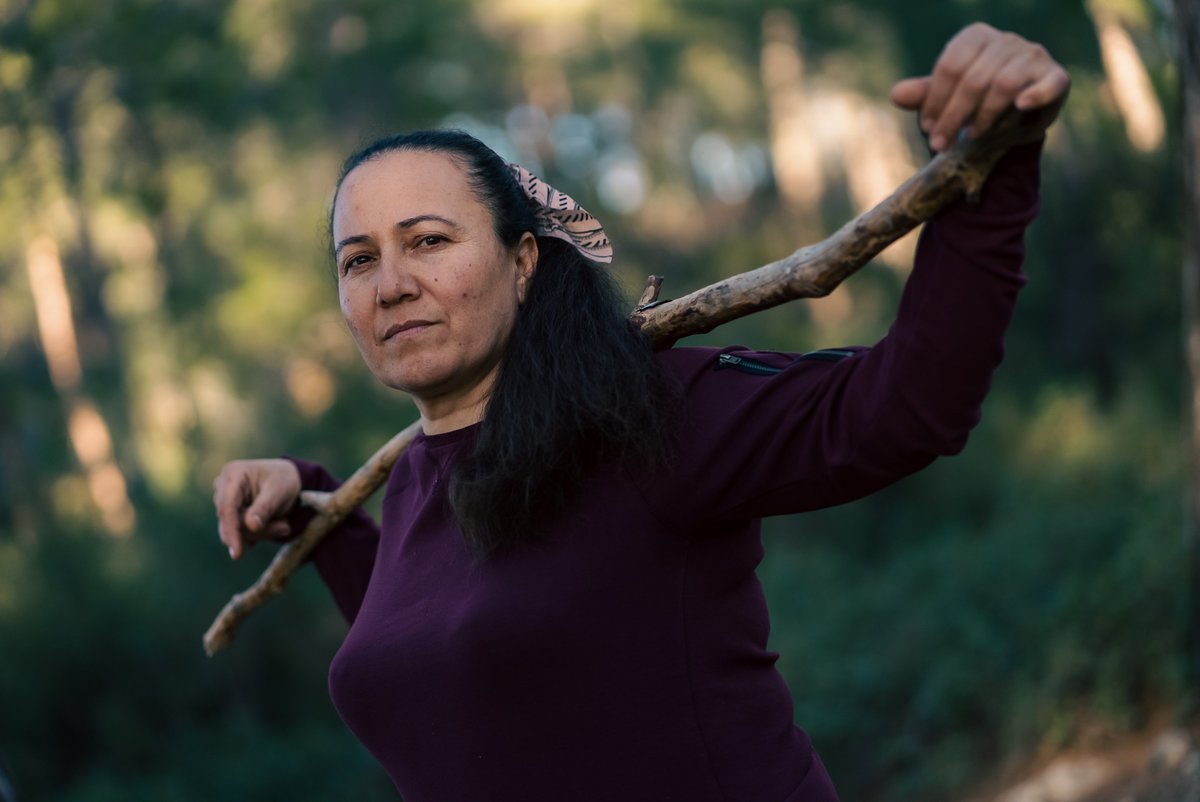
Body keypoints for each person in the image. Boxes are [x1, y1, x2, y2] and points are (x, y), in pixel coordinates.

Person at [213, 23, 1069, 802]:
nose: (391, 283)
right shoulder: (410, 486)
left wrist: (990, 167)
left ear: (522, 263)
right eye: (358, 260)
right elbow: (444, 650)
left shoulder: (647, 416)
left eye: (429, 240)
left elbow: (906, 409)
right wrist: (313, 501)